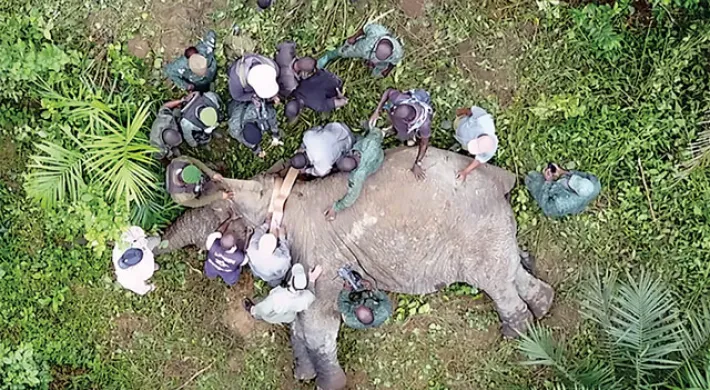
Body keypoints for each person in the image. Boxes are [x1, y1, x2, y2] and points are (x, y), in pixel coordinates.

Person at [370, 88, 433, 180]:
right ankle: (395, 128)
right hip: (403, 114)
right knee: (395, 119)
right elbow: (388, 91)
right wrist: (377, 111)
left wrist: (417, 163)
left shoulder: (424, 125)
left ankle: (410, 137)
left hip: (413, 124)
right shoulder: (401, 98)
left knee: (411, 136)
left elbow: (424, 144)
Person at [324, 126, 385, 221]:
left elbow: (352, 196)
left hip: (376, 161)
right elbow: (377, 132)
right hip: (374, 150)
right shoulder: (368, 142)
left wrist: (336, 208)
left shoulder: (357, 176)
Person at [243, 264, 323, 324]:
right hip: (288, 316)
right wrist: (312, 279)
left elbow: (263, 309)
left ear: (291, 280)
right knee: (290, 316)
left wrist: (254, 310)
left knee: (263, 313)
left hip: (273, 314)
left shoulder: (277, 297)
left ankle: (255, 315)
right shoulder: (306, 298)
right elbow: (312, 294)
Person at [317, 23, 403, 78]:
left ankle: (370, 75)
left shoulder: (397, 53)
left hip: (381, 61)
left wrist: (387, 71)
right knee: (345, 52)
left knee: (377, 75)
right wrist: (354, 37)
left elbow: (393, 63)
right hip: (364, 48)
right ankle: (329, 56)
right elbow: (364, 29)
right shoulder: (374, 34)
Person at [525, 163, 601, 218]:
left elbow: (546, 207)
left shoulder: (561, 204)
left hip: (560, 201)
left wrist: (547, 181)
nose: (570, 179)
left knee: (532, 177)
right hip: (578, 200)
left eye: (570, 183)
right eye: (575, 179)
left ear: (574, 192)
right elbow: (583, 174)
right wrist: (562, 171)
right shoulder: (595, 184)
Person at [290, 122, 355, 178]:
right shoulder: (307, 137)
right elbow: (318, 127)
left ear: (305, 165)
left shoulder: (322, 165)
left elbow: (323, 172)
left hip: (350, 142)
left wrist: (308, 171)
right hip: (340, 126)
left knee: (340, 164)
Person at [166, 156, 233, 208]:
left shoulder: (181, 161)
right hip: (200, 192)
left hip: (200, 179)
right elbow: (197, 203)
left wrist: (212, 174)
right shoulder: (181, 197)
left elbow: (195, 162)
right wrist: (219, 196)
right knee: (214, 195)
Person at [453, 106, 499, 181]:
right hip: (461, 123)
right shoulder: (484, 120)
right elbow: (471, 110)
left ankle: (459, 144)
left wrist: (465, 172)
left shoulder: (489, 151)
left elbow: (479, 160)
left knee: (463, 145)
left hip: (463, 140)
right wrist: (460, 111)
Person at [284, 69, 349, 122]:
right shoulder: (296, 88)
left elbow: (344, 102)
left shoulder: (318, 105)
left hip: (337, 82)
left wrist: (340, 96)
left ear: (300, 110)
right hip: (325, 73)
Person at [112, 226, 160, 295]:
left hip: (144, 246)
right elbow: (142, 289)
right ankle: (156, 266)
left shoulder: (121, 246)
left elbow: (133, 230)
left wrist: (142, 235)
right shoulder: (129, 280)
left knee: (156, 240)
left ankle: (158, 243)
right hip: (147, 269)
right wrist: (150, 287)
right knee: (155, 266)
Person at [204, 214, 248, 286]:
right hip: (227, 272)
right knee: (231, 280)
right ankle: (230, 282)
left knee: (209, 271)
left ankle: (210, 275)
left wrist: (229, 219)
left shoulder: (211, 244)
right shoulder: (239, 257)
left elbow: (218, 232)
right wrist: (247, 236)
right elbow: (244, 253)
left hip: (213, 265)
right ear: (234, 245)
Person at [246, 222, 291, 286]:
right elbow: (287, 257)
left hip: (258, 271)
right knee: (276, 281)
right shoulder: (280, 260)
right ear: (274, 249)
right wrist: (282, 236)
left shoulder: (252, 249)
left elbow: (258, 233)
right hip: (272, 276)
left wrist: (266, 224)